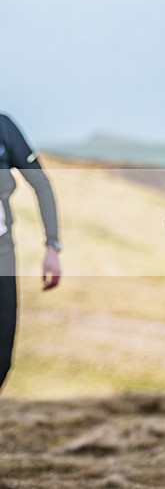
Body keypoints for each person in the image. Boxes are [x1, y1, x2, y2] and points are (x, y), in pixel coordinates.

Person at [1, 113, 62, 392]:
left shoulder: (4, 127)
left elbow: (41, 183)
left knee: (2, 356)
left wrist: (52, 245)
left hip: (2, 253)